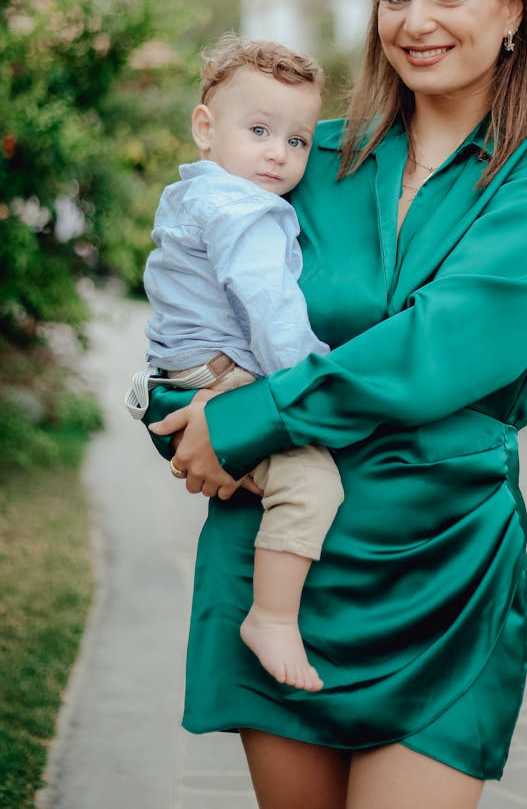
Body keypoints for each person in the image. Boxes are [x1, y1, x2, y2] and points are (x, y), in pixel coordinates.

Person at [146, 0, 527, 809]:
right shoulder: (303, 160)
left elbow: (444, 343)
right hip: (282, 567)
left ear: (513, 5)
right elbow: (191, 304)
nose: (415, 20)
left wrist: (255, 416)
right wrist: (177, 419)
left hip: (440, 568)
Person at [128, 36, 344, 692]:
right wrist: (322, 379)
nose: (279, 152)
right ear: (205, 127)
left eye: (298, 139)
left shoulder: (193, 193)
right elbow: (271, 309)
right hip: (223, 381)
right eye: (258, 130)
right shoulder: (244, 210)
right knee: (314, 484)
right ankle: (272, 618)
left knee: (265, 482)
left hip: (179, 379)